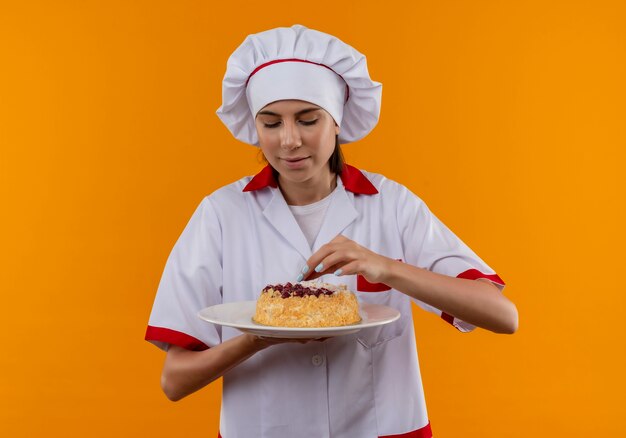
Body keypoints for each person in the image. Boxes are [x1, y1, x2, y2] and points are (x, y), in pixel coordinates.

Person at [145, 24, 518, 438]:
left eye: (307, 120)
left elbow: (503, 315)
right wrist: (259, 340)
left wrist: (387, 269)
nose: (289, 141)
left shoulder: (391, 204)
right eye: (270, 124)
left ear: (337, 121)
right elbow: (174, 381)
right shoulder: (220, 214)